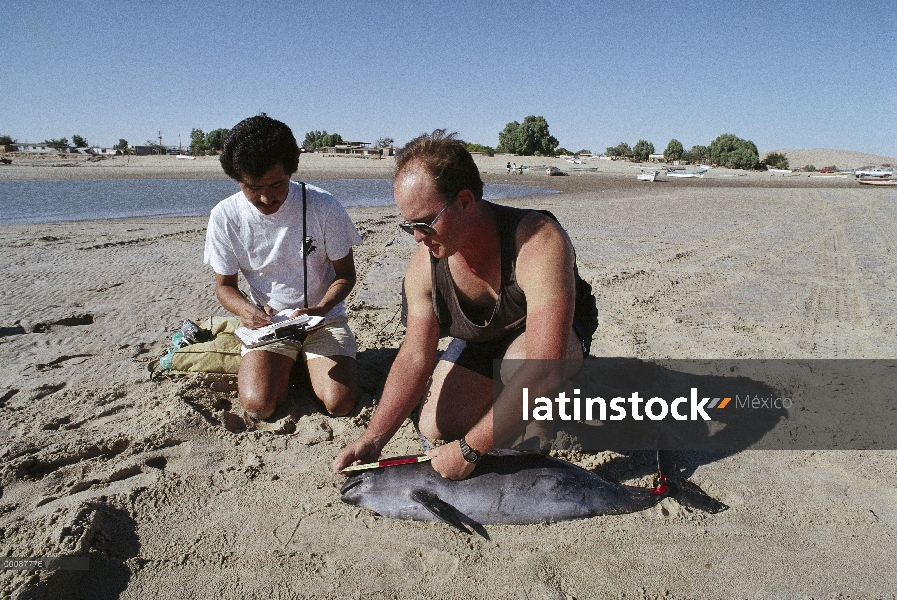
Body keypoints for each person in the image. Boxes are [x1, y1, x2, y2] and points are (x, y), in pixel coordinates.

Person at [333, 130, 596, 480]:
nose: (417, 237)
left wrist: (471, 448)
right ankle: (513, 402)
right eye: (409, 225)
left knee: (522, 371)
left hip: (552, 340)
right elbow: (415, 355)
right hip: (486, 339)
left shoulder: (537, 240)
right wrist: (373, 438)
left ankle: (548, 409)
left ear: (465, 201)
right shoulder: (424, 265)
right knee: (435, 425)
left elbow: (544, 363)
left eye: (425, 223)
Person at [205, 115, 362, 419]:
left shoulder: (324, 206)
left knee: (339, 403)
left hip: (323, 319)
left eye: (277, 184)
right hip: (270, 324)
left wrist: (323, 307)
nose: (266, 198)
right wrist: (244, 311)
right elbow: (224, 286)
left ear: (292, 170)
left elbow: (346, 274)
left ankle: (304, 363)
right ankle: (290, 364)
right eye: (253, 187)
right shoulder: (224, 216)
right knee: (259, 405)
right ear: (238, 180)